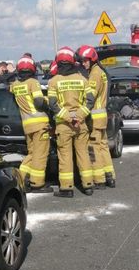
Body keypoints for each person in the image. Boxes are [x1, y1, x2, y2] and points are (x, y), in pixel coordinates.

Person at [47, 47, 95, 198]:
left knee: (65, 156)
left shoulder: (53, 81)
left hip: (63, 124)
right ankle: (88, 185)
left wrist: (68, 117)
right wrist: (79, 117)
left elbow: (53, 105)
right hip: (81, 124)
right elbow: (90, 100)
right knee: (83, 154)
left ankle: (67, 188)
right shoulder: (82, 79)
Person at [11, 56, 53, 193]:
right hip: (40, 124)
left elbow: (10, 89)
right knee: (40, 155)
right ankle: (37, 184)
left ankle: (20, 179)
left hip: (27, 126)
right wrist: (48, 103)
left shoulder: (15, 85)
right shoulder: (33, 82)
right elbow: (39, 102)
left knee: (32, 154)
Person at [79, 45, 116, 189]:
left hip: (94, 117)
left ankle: (99, 179)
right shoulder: (101, 71)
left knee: (93, 148)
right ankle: (110, 176)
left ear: (92, 59)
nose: (83, 63)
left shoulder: (94, 73)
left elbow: (90, 97)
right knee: (103, 147)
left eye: (85, 60)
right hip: (101, 117)